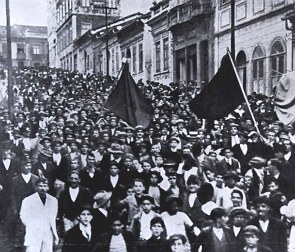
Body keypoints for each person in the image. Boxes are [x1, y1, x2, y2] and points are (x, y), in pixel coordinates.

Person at [20, 178, 59, 252]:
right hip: (33, 232)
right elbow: (23, 215)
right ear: (36, 187)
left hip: (47, 232)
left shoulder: (53, 200)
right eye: (40, 186)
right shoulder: (28, 200)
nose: (42, 188)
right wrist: (32, 225)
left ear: (48, 187)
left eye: (44, 186)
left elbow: (53, 217)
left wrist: (53, 232)